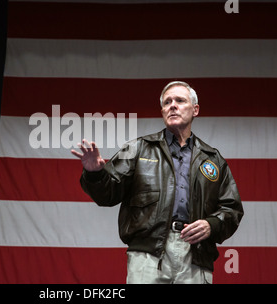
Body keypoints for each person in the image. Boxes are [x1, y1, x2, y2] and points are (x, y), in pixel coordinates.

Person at [71, 81, 244, 284]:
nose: (172, 105)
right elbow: (107, 194)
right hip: (148, 255)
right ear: (162, 111)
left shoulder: (213, 159)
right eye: (167, 102)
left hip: (196, 254)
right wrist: (95, 173)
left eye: (180, 100)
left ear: (195, 110)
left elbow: (232, 208)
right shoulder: (137, 148)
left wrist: (211, 224)